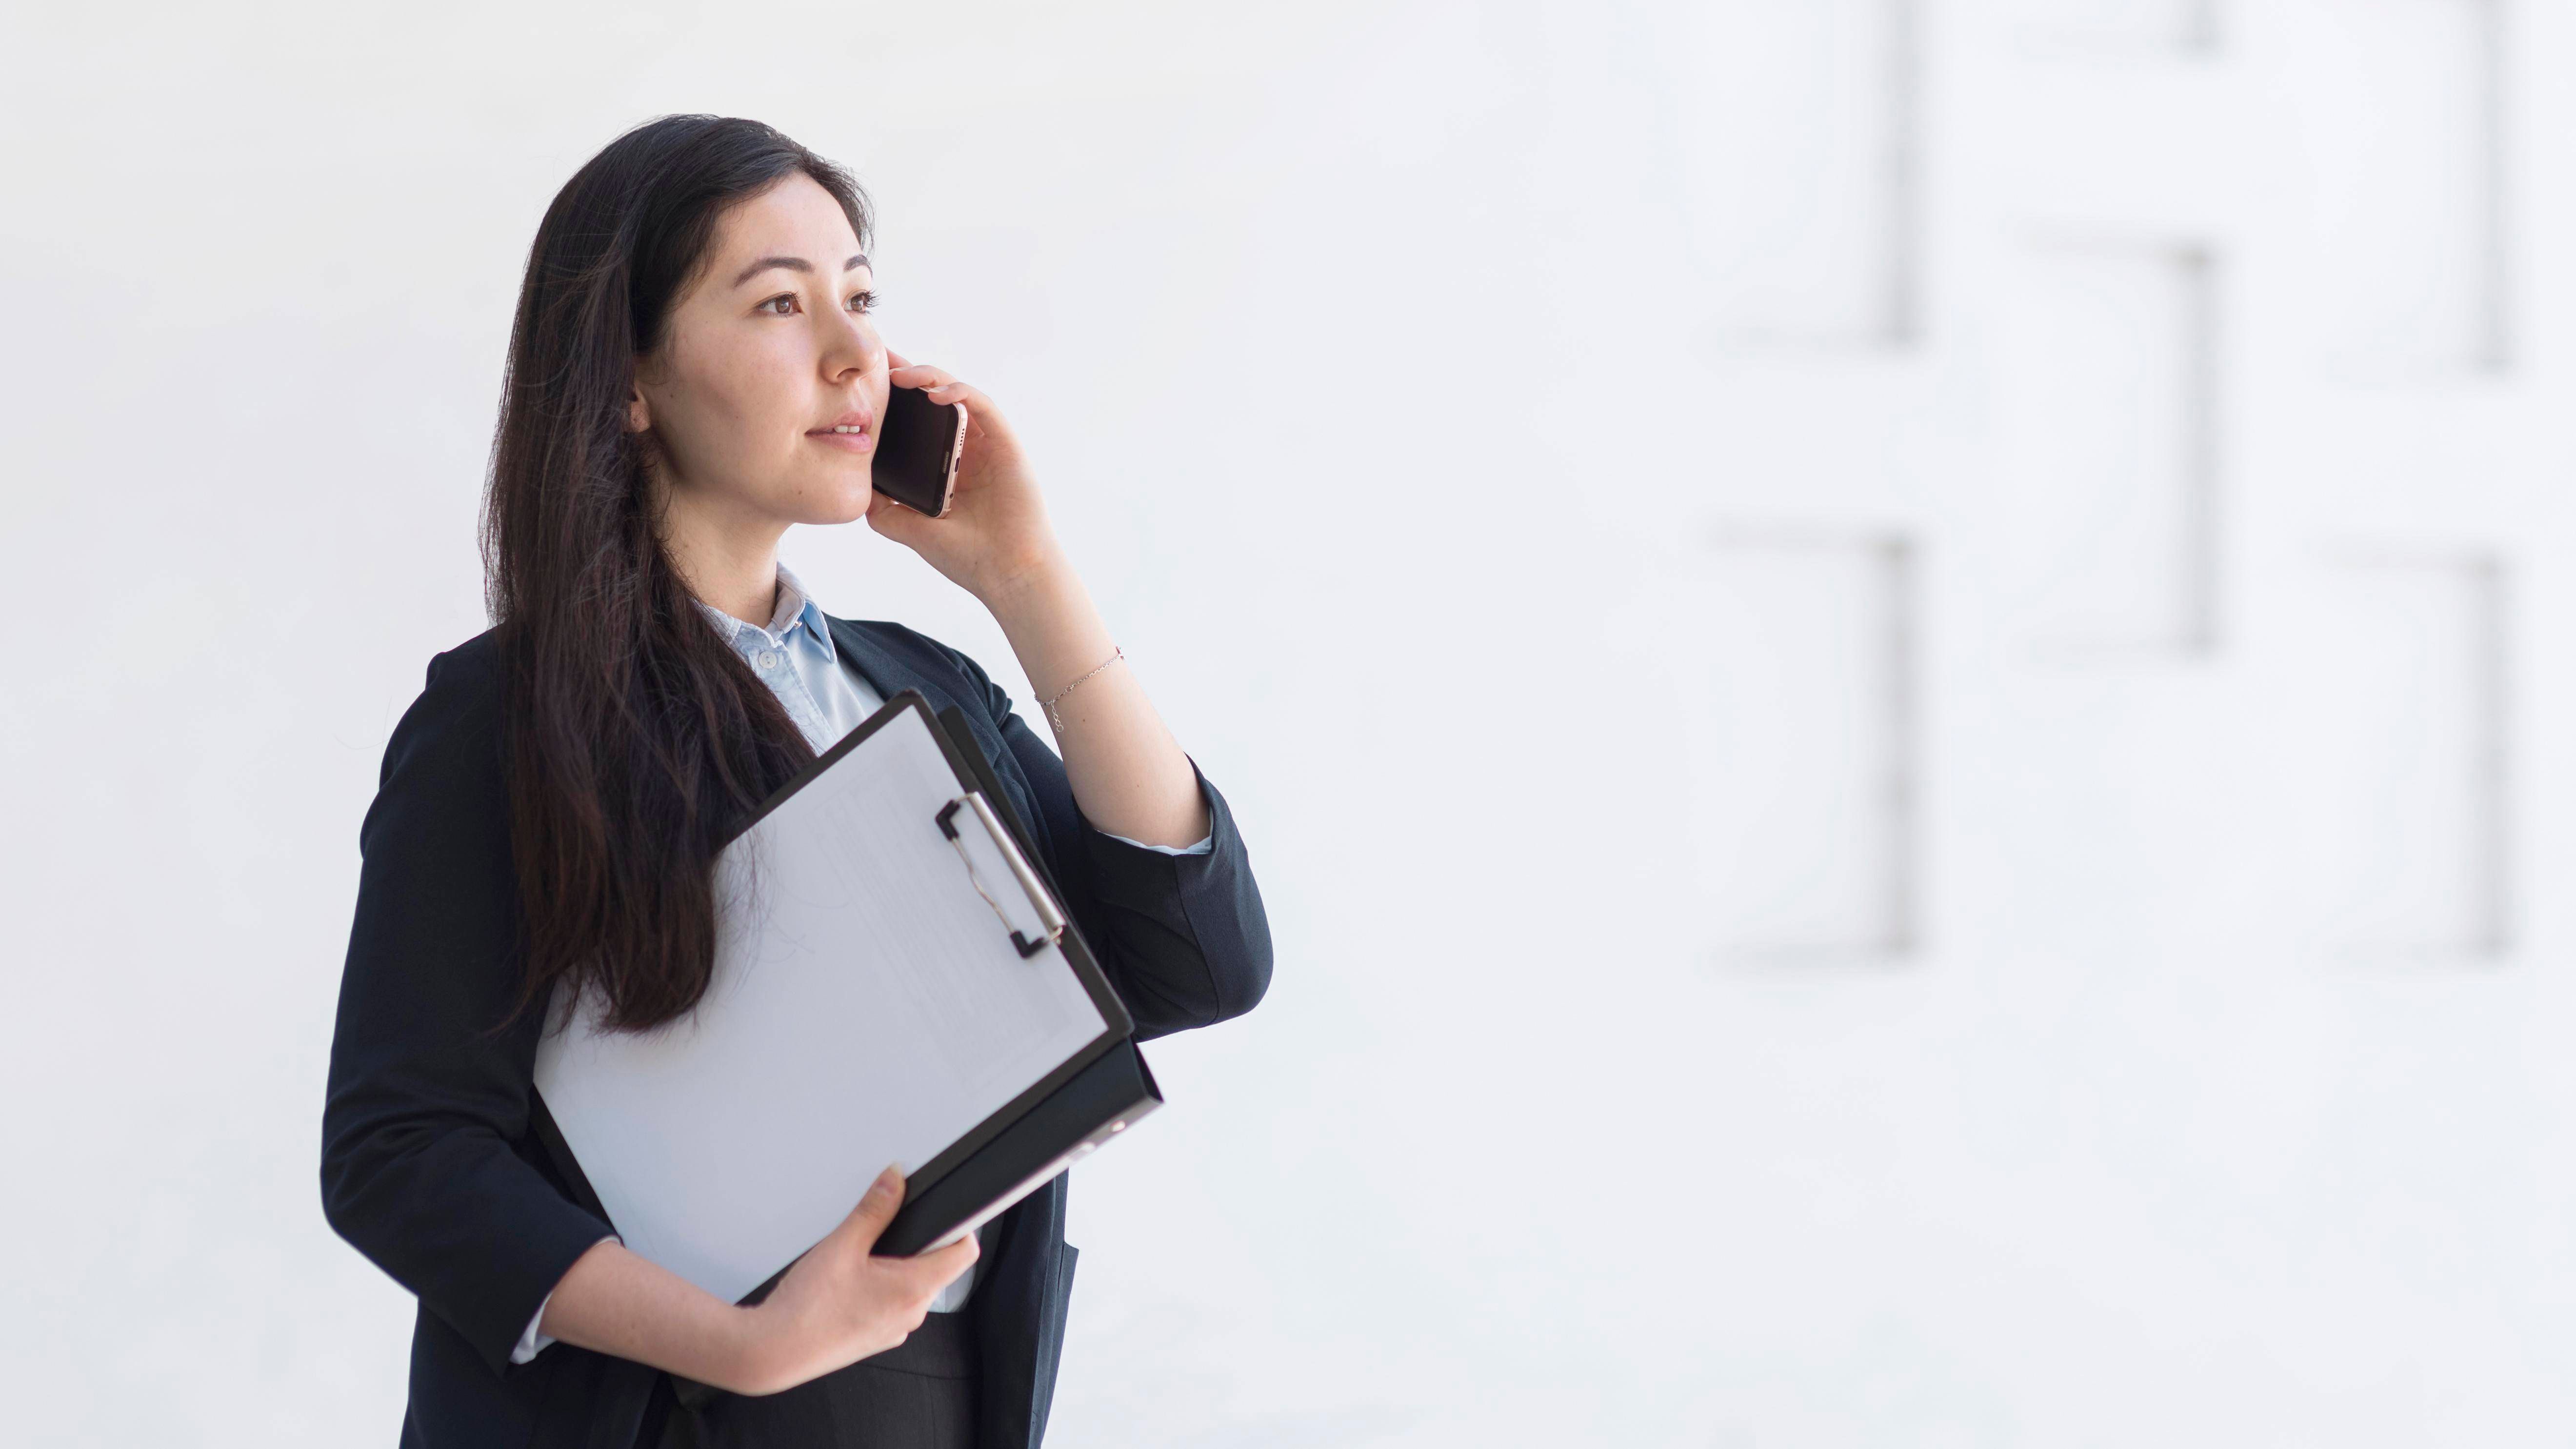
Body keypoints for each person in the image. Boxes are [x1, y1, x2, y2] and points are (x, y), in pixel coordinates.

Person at [320, 114, 1273, 1449]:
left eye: (862, 298)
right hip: (659, 1405)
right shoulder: (503, 714)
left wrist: (1026, 579)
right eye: (779, 302)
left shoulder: (921, 688)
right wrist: (745, 1342)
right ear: (630, 378)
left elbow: (1197, 961)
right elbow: (401, 1146)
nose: (853, 355)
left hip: (931, 1399)